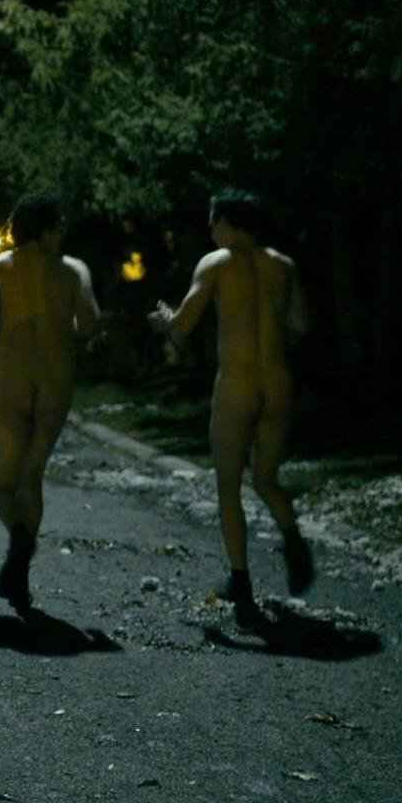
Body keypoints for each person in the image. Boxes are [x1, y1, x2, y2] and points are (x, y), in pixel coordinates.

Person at [148, 188, 313, 628]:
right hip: (277, 382)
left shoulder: (215, 264)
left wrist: (165, 319)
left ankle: (241, 582)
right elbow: (301, 323)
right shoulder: (283, 265)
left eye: (213, 220)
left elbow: (184, 324)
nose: (210, 229)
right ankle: (293, 538)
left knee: (228, 486)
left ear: (226, 222)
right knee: (266, 478)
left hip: (238, 384)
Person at [0, 194, 101, 610]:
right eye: (58, 226)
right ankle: (22, 567)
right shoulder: (73, 270)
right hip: (56, 380)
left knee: (3, 482)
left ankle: (20, 541)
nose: (62, 234)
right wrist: (66, 331)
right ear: (45, 229)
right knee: (32, 475)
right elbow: (90, 322)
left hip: (14, 377)